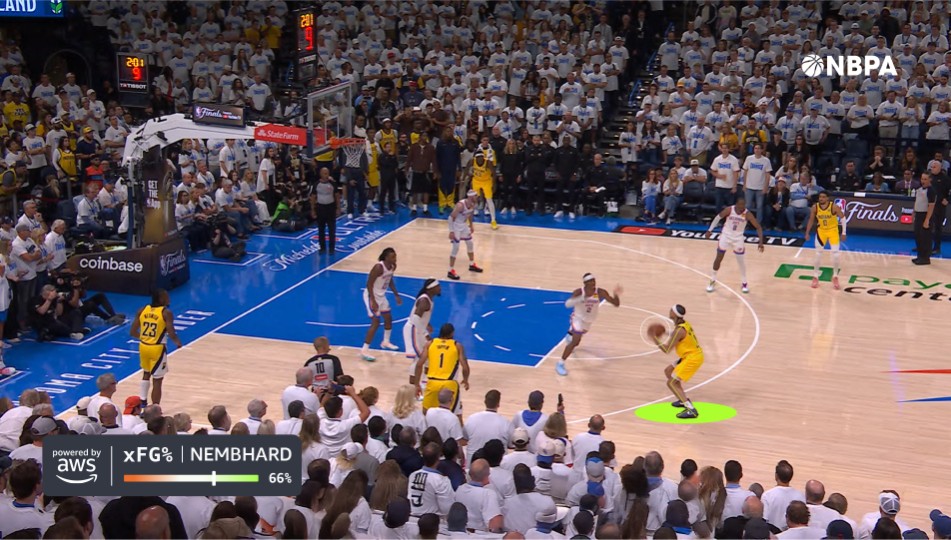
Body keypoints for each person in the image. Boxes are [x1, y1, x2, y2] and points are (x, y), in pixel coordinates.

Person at [555, 273, 622, 376]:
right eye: (590, 282)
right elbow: (567, 304)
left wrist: (616, 294)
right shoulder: (579, 292)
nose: (593, 283)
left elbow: (616, 304)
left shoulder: (600, 292)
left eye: (594, 281)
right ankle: (560, 363)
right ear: (585, 283)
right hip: (577, 319)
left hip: (588, 321)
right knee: (575, 341)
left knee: (576, 341)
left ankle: (570, 334)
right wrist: (581, 298)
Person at [129, 288, 183, 406]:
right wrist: (178, 343)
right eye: (166, 296)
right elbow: (171, 332)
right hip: (157, 349)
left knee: (146, 373)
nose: (169, 298)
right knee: (158, 380)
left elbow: (132, 332)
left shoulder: (142, 310)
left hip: (143, 347)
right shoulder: (166, 313)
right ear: (161, 299)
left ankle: (143, 402)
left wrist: (145, 338)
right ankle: (155, 408)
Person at [704, 197, 765, 294]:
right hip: (726, 236)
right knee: (719, 258)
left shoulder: (747, 214)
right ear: (736, 204)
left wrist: (761, 242)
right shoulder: (729, 210)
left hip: (738, 238)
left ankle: (744, 283)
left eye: (743, 205)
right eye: (740, 204)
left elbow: (758, 227)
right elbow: (718, 217)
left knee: (741, 262)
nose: (742, 206)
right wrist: (709, 230)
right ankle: (712, 280)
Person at [653, 304, 704, 419]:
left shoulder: (679, 330)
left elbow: (667, 349)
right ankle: (682, 400)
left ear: (674, 314)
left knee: (671, 383)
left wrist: (655, 339)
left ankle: (691, 410)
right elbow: (677, 334)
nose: (669, 310)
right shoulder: (684, 324)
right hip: (689, 355)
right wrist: (665, 333)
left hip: (692, 358)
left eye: (671, 309)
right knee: (668, 371)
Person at [414, 323, 470, 417]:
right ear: (452, 333)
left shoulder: (430, 343)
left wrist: (417, 384)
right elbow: (465, 367)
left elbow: (419, 365)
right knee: (452, 415)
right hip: (449, 384)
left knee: (426, 414)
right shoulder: (457, 345)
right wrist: (466, 380)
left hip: (432, 383)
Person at [361, 247, 402, 361]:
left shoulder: (392, 266)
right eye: (392, 256)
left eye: (395, 256)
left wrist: (396, 294)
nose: (395, 258)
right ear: (386, 257)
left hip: (381, 296)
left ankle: (386, 342)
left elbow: (390, 280)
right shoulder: (378, 267)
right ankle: (364, 350)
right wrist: (373, 301)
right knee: (376, 322)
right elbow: (369, 284)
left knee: (388, 318)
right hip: (371, 295)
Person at [804, 192, 847, 289]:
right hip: (821, 231)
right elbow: (811, 220)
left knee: (836, 254)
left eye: (823, 197)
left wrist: (844, 232)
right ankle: (815, 277)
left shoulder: (834, 207)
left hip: (833, 231)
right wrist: (807, 232)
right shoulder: (815, 207)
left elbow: (843, 218)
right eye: (820, 197)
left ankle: (835, 276)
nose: (821, 199)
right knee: (818, 254)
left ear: (827, 198)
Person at [404, 278, 441, 379]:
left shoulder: (428, 299)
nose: (439, 288)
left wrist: (427, 324)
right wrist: (425, 333)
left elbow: (421, 316)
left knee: (428, 354)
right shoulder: (424, 300)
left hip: (418, 328)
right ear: (430, 288)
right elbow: (415, 318)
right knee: (419, 357)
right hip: (413, 329)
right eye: (437, 286)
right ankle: (413, 382)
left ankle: (425, 380)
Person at [447, 189, 484, 280]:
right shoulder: (460, 205)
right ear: (471, 196)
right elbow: (450, 218)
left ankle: (472, 264)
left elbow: (470, 214)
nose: (477, 197)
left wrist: (471, 225)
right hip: (456, 226)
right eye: (475, 196)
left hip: (463, 225)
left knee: (470, 243)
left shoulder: (473, 204)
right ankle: (450, 270)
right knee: (456, 248)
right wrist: (451, 231)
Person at [469, 150, 498, 229]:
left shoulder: (488, 162)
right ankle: (469, 218)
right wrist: (463, 178)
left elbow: (494, 174)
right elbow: (466, 170)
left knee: (489, 199)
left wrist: (494, 184)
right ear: (476, 158)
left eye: (481, 157)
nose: (480, 159)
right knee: (472, 199)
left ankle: (493, 220)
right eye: (478, 157)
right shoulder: (472, 161)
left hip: (486, 181)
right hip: (476, 180)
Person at [913, 172, 936, 265]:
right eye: (922, 179)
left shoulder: (931, 191)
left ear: (930, 180)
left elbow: (931, 206)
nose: (923, 181)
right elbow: (917, 201)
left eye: (925, 179)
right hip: (918, 214)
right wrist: (914, 212)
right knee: (918, 236)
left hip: (925, 215)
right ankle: (920, 256)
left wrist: (927, 219)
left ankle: (925, 258)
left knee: (925, 237)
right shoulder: (919, 189)